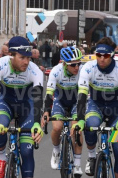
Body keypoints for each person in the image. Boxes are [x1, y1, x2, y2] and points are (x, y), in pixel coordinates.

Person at [72, 37, 118, 178]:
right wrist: (80, 120)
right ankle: (92, 156)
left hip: (116, 109)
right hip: (96, 105)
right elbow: (81, 96)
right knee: (90, 125)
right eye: (99, 55)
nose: (102, 59)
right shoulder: (88, 68)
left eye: (106, 56)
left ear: (112, 55)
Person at [0, 36, 44, 178]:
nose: (26, 62)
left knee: (26, 150)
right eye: (22, 57)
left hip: (27, 108)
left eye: (28, 58)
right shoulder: (0, 65)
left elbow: (38, 99)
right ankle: (1, 158)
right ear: (10, 55)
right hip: (5, 103)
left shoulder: (35, 70)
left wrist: (37, 123)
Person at [41, 47, 84, 177]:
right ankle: (56, 151)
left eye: (79, 63)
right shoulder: (56, 71)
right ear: (64, 63)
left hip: (76, 102)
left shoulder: (82, 72)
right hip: (60, 101)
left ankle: (77, 163)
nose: (77, 67)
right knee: (57, 127)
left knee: (77, 130)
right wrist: (46, 111)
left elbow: (84, 96)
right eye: (73, 65)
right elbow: (49, 93)